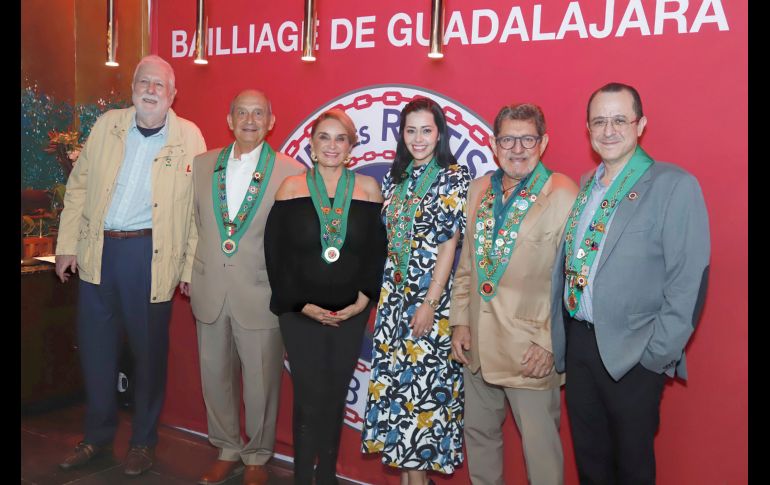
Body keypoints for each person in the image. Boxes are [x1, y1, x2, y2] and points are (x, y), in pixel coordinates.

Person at [550, 82, 710, 484]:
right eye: (599, 121)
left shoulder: (674, 185)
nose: (609, 130)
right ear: (587, 130)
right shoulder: (587, 184)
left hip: (636, 352)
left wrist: (655, 356)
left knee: (632, 468)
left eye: (620, 119)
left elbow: (688, 282)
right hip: (582, 345)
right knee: (591, 463)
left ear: (641, 125)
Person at [54, 55, 206, 476]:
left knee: (148, 356)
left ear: (174, 95)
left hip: (149, 256)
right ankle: (97, 439)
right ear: (133, 87)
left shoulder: (189, 136)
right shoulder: (108, 125)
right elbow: (79, 186)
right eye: (145, 81)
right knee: (97, 351)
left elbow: (197, 210)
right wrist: (67, 244)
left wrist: (190, 268)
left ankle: (143, 442)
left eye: (161, 85)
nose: (151, 90)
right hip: (97, 253)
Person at [450, 103, 578, 485]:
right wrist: (459, 321)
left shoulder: (563, 193)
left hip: (531, 351)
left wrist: (550, 342)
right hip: (476, 345)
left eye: (527, 139)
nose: (517, 148)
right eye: (508, 138)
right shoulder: (477, 191)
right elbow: (468, 265)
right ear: (493, 143)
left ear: (544, 142)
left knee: (540, 451)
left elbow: (574, 278)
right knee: (480, 439)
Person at [181, 89, 304, 485]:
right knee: (214, 374)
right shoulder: (201, 165)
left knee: (261, 382)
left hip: (261, 291)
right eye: (242, 113)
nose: (249, 120)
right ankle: (226, 447)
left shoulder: (290, 171)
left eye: (258, 113)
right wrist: (186, 269)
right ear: (229, 120)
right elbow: (192, 223)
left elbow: (298, 237)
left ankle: (256, 456)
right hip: (208, 286)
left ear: (271, 122)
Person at [265, 109, 386, 485]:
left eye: (340, 139)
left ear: (351, 147)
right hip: (301, 315)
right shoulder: (291, 188)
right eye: (324, 138)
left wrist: (364, 299)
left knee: (335, 395)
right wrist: (301, 304)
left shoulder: (368, 189)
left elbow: (376, 253)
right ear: (311, 146)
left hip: (351, 315)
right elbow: (275, 255)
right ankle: (303, 476)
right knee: (308, 395)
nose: (332, 146)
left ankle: (328, 475)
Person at [361, 97, 470, 485]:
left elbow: (448, 245)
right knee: (400, 405)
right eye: (411, 130)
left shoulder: (453, 176)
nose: (418, 138)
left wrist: (428, 303)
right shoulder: (397, 177)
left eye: (426, 130)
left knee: (422, 404)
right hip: (394, 305)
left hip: (430, 305)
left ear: (439, 133)